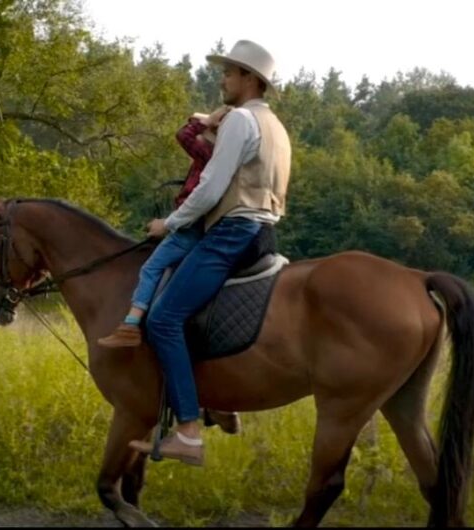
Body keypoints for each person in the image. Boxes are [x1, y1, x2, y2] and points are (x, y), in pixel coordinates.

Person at [127, 39, 293, 466]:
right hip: (263, 231)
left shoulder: (240, 120)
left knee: (163, 319)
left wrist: (171, 223)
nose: (222, 79)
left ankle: (187, 431)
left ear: (250, 80)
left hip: (231, 231)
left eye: (230, 72)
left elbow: (211, 188)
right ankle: (217, 398)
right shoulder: (275, 126)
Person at [97, 106, 231, 349]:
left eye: (207, 130)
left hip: (188, 228)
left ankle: (130, 324)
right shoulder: (217, 158)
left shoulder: (207, 154)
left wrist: (207, 120)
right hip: (196, 224)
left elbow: (184, 135)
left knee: (151, 267)